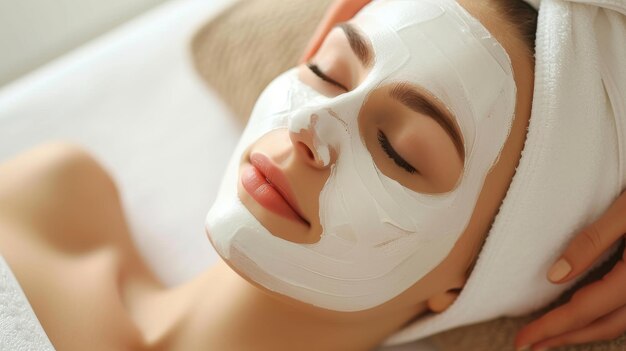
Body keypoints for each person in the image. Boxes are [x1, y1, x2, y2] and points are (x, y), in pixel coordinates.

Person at [0, 1, 622, 351]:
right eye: (330, 72)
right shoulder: (47, 202)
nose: (312, 124)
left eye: (398, 152)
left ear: (469, 281)